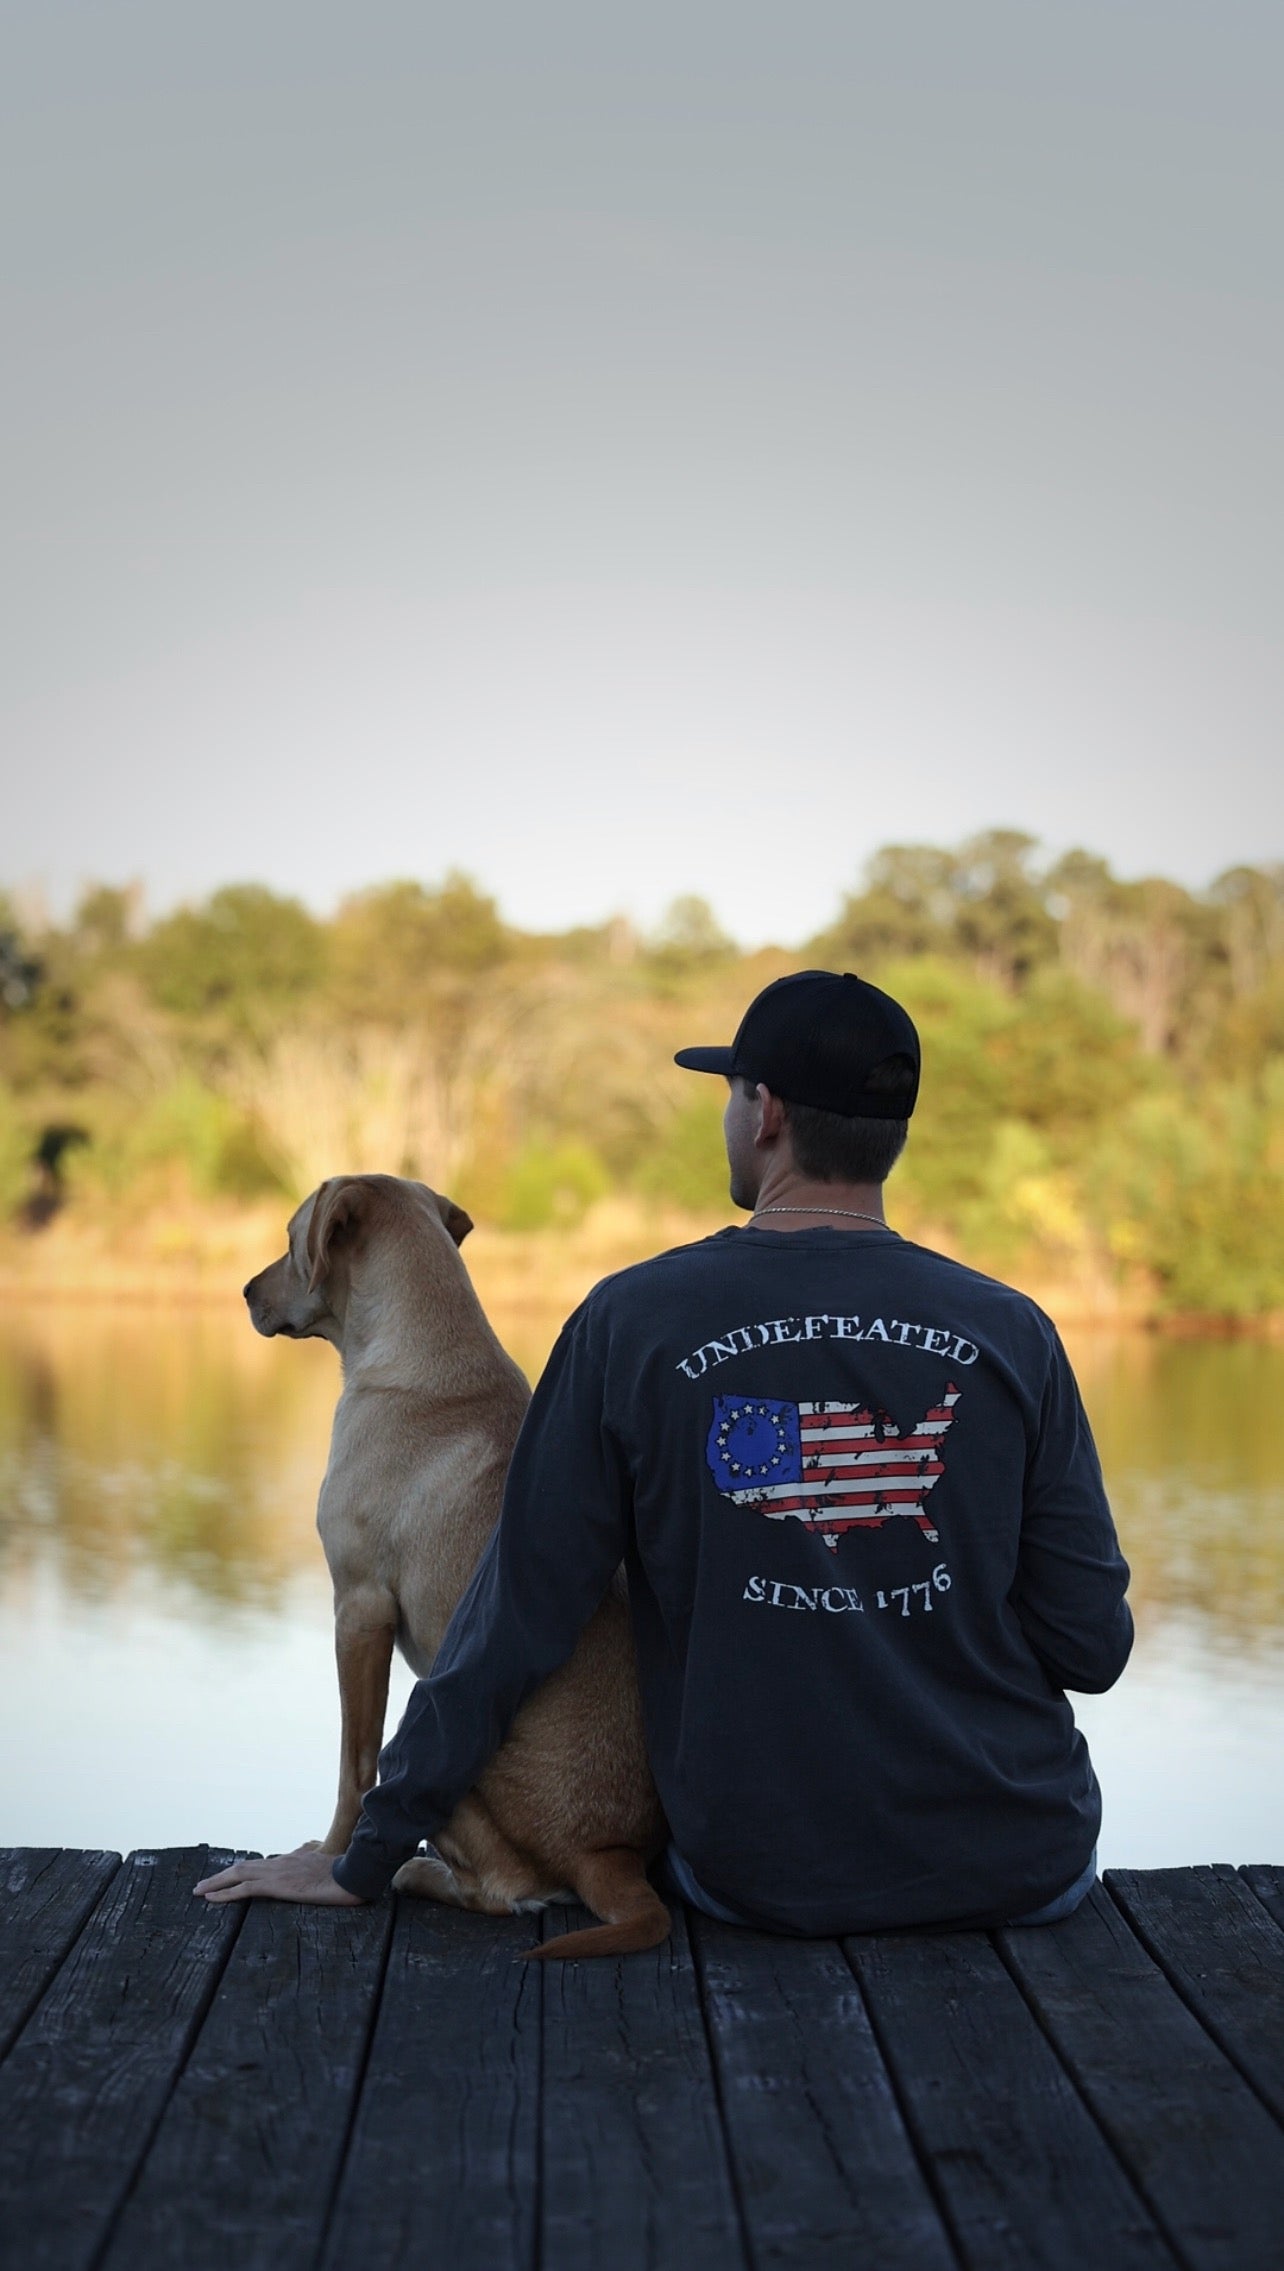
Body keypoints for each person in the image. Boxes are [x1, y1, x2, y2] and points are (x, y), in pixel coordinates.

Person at [197, 968, 1131, 1930]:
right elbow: (1091, 1644)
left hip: (760, 1881)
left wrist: (365, 1856)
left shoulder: (633, 1322)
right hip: (1026, 1865)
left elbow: (513, 1618)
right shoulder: (1015, 1334)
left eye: (730, 1091)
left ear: (764, 1113)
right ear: (889, 1135)